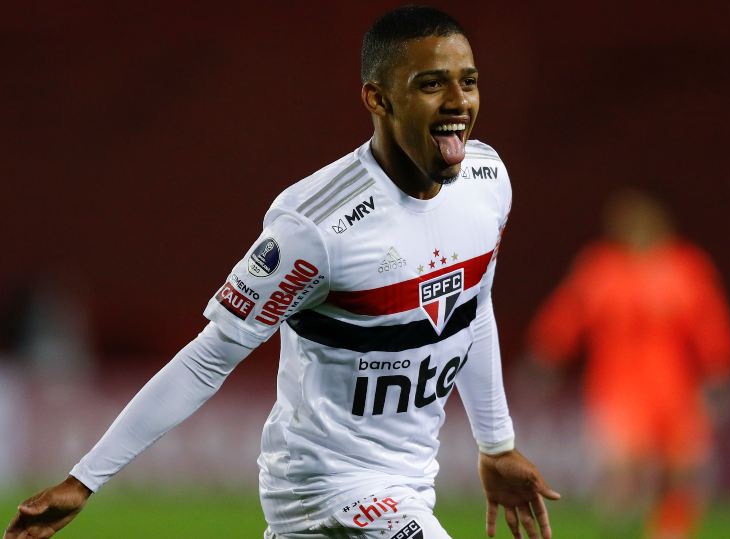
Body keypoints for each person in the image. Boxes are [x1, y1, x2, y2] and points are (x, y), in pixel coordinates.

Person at [5, 7, 559, 539]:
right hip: (325, 488)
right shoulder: (316, 227)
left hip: (410, 484)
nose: (458, 101)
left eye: (469, 81)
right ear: (378, 98)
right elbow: (208, 358)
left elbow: (472, 309)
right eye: (432, 84)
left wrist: (496, 445)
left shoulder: (487, 182)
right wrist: (84, 480)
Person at [526, 188, 730, 539]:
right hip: (618, 389)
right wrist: (544, 357)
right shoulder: (603, 267)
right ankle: (619, 526)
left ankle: (669, 531)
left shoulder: (685, 267)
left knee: (684, 468)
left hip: (674, 390)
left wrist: (720, 371)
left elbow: (710, 324)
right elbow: (568, 314)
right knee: (622, 472)